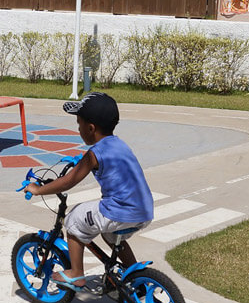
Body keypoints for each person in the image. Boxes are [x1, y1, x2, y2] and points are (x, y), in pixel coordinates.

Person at [23, 92, 153, 289]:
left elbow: (68, 181)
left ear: (91, 128)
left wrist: (38, 189)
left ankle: (76, 273)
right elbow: (109, 163)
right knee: (110, 235)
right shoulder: (118, 144)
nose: (78, 128)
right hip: (143, 210)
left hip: (119, 210)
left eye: (79, 124)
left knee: (74, 218)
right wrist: (81, 162)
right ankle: (134, 275)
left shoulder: (94, 154)